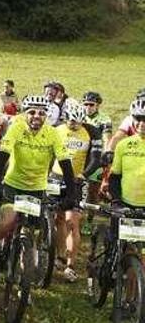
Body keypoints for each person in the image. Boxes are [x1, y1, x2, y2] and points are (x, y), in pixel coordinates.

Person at [0, 95, 76, 271]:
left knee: (33, 232)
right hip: (13, 185)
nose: (36, 116)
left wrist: (72, 194)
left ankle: (25, 283)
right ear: (25, 114)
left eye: (41, 113)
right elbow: (3, 156)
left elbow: (65, 164)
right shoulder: (16, 128)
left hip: (37, 189)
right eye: (32, 112)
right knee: (9, 220)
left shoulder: (52, 134)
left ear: (46, 116)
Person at [52, 102, 102, 283]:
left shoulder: (91, 131)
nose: (74, 125)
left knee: (72, 221)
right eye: (71, 122)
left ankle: (70, 266)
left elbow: (96, 158)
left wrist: (84, 175)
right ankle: (60, 255)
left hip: (77, 180)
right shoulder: (57, 129)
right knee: (58, 220)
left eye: (78, 122)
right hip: (56, 178)